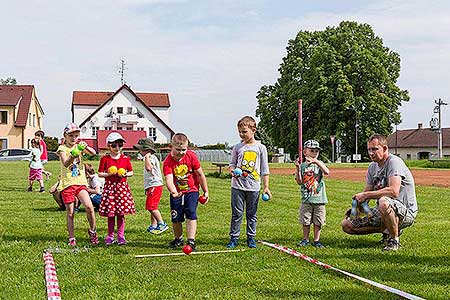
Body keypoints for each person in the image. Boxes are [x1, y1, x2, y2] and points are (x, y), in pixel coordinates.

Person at [341, 134, 418, 251]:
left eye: (375, 149)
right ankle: (389, 229)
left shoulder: (394, 162)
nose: (371, 153)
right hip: (384, 210)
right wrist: (357, 207)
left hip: (406, 211)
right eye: (369, 149)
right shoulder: (372, 167)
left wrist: (366, 195)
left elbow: (393, 191)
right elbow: (366, 193)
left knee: (383, 201)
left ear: (385, 148)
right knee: (347, 225)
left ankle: (394, 240)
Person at [226, 116, 271, 249]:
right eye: (239, 132)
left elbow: (264, 169)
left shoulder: (261, 148)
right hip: (237, 186)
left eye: (244, 132)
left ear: (253, 130)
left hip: (254, 187)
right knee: (237, 213)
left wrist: (266, 187)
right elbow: (232, 164)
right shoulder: (237, 147)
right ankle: (234, 238)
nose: (241, 134)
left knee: (251, 214)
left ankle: (251, 238)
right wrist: (233, 171)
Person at [163, 133, 209, 250]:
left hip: (191, 190)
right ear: (171, 147)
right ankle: (178, 239)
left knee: (191, 213)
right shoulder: (168, 162)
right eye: (178, 149)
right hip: (177, 192)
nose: (181, 152)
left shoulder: (191, 156)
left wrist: (205, 191)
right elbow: (169, 179)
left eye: (184, 149)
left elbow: (200, 174)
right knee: (176, 217)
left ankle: (191, 241)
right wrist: (173, 191)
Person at [56, 123, 98, 246]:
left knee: (89, 206)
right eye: (71, 135)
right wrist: (73, 154)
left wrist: (85, 147)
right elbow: (65, 163)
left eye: (76, 135)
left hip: (80, 182)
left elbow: (93, 153)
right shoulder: (62, 148)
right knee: (70, 212)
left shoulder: (79, 146)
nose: (74, 138)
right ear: (65, 136)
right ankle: (72, 237)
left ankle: (93, 231)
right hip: (68, 184)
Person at [98, 132, 135, 246]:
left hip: (121, 188)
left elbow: (131, 172)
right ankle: (110, 236)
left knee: (121, 213)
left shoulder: (125, 158)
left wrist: (125, 175)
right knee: (111, 213)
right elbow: (99, 173)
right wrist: (108, 174)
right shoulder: (105, 159)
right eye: (114, 145)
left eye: (120, 145)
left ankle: (121, 236)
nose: (117, 148)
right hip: (110, 189)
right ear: (109, 146)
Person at [294, 140, 330, 248]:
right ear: (304, 152)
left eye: (317, 151)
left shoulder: (319, 164)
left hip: (319, 199)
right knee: (306, 220)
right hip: (306, 199)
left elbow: (327, 172)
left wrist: (316, 162)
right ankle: (305, 239)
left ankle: (316, 240)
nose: (314, 153)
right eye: (312, 151)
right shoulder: (303, 166)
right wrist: (298, 168)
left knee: (318, 221)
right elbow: (300, 181)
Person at [133, 138, 169, 235]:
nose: (139, 151)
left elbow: (149, 168)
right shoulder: (149, 157)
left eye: (141, 150)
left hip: (155, 185)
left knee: (151, 206)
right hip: (151, 185)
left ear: (147, 150)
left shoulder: (151, 158)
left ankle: (161, 223)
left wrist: (147, 158)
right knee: (153, 206)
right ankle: (154, 225)